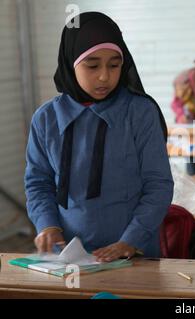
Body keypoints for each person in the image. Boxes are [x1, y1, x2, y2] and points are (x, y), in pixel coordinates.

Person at [25, 12, 174, 261]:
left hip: (132, 256)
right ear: (71, 62)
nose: (105, 76)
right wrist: (47, 225)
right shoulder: (46, 119)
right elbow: (39, 182)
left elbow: (158, 185)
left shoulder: (139, 112)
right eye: (92, 66)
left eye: (114, 65)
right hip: (68, 258)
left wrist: (131, 241)